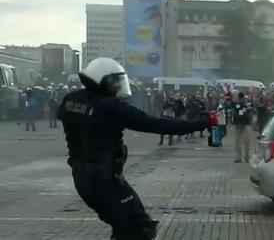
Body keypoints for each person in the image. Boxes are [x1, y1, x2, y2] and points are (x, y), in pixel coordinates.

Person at [57, 58, 210, 240]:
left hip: (82, 180)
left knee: (123, 227)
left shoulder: (70, 100)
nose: (117, 86)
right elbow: (154, 124)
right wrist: (200, 124)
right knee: (140, 228)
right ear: (100, 80)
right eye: (114, 81)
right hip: (106, 180)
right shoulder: (111, 107)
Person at [233, 92, 251, 163]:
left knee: (238, 141)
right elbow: (242, 112)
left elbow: (240, 112)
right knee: (246, 141)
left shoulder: (238, 103)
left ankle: (238, 157)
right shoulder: (243, 103)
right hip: (244, 123)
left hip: (239, 123)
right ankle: (246, 157)